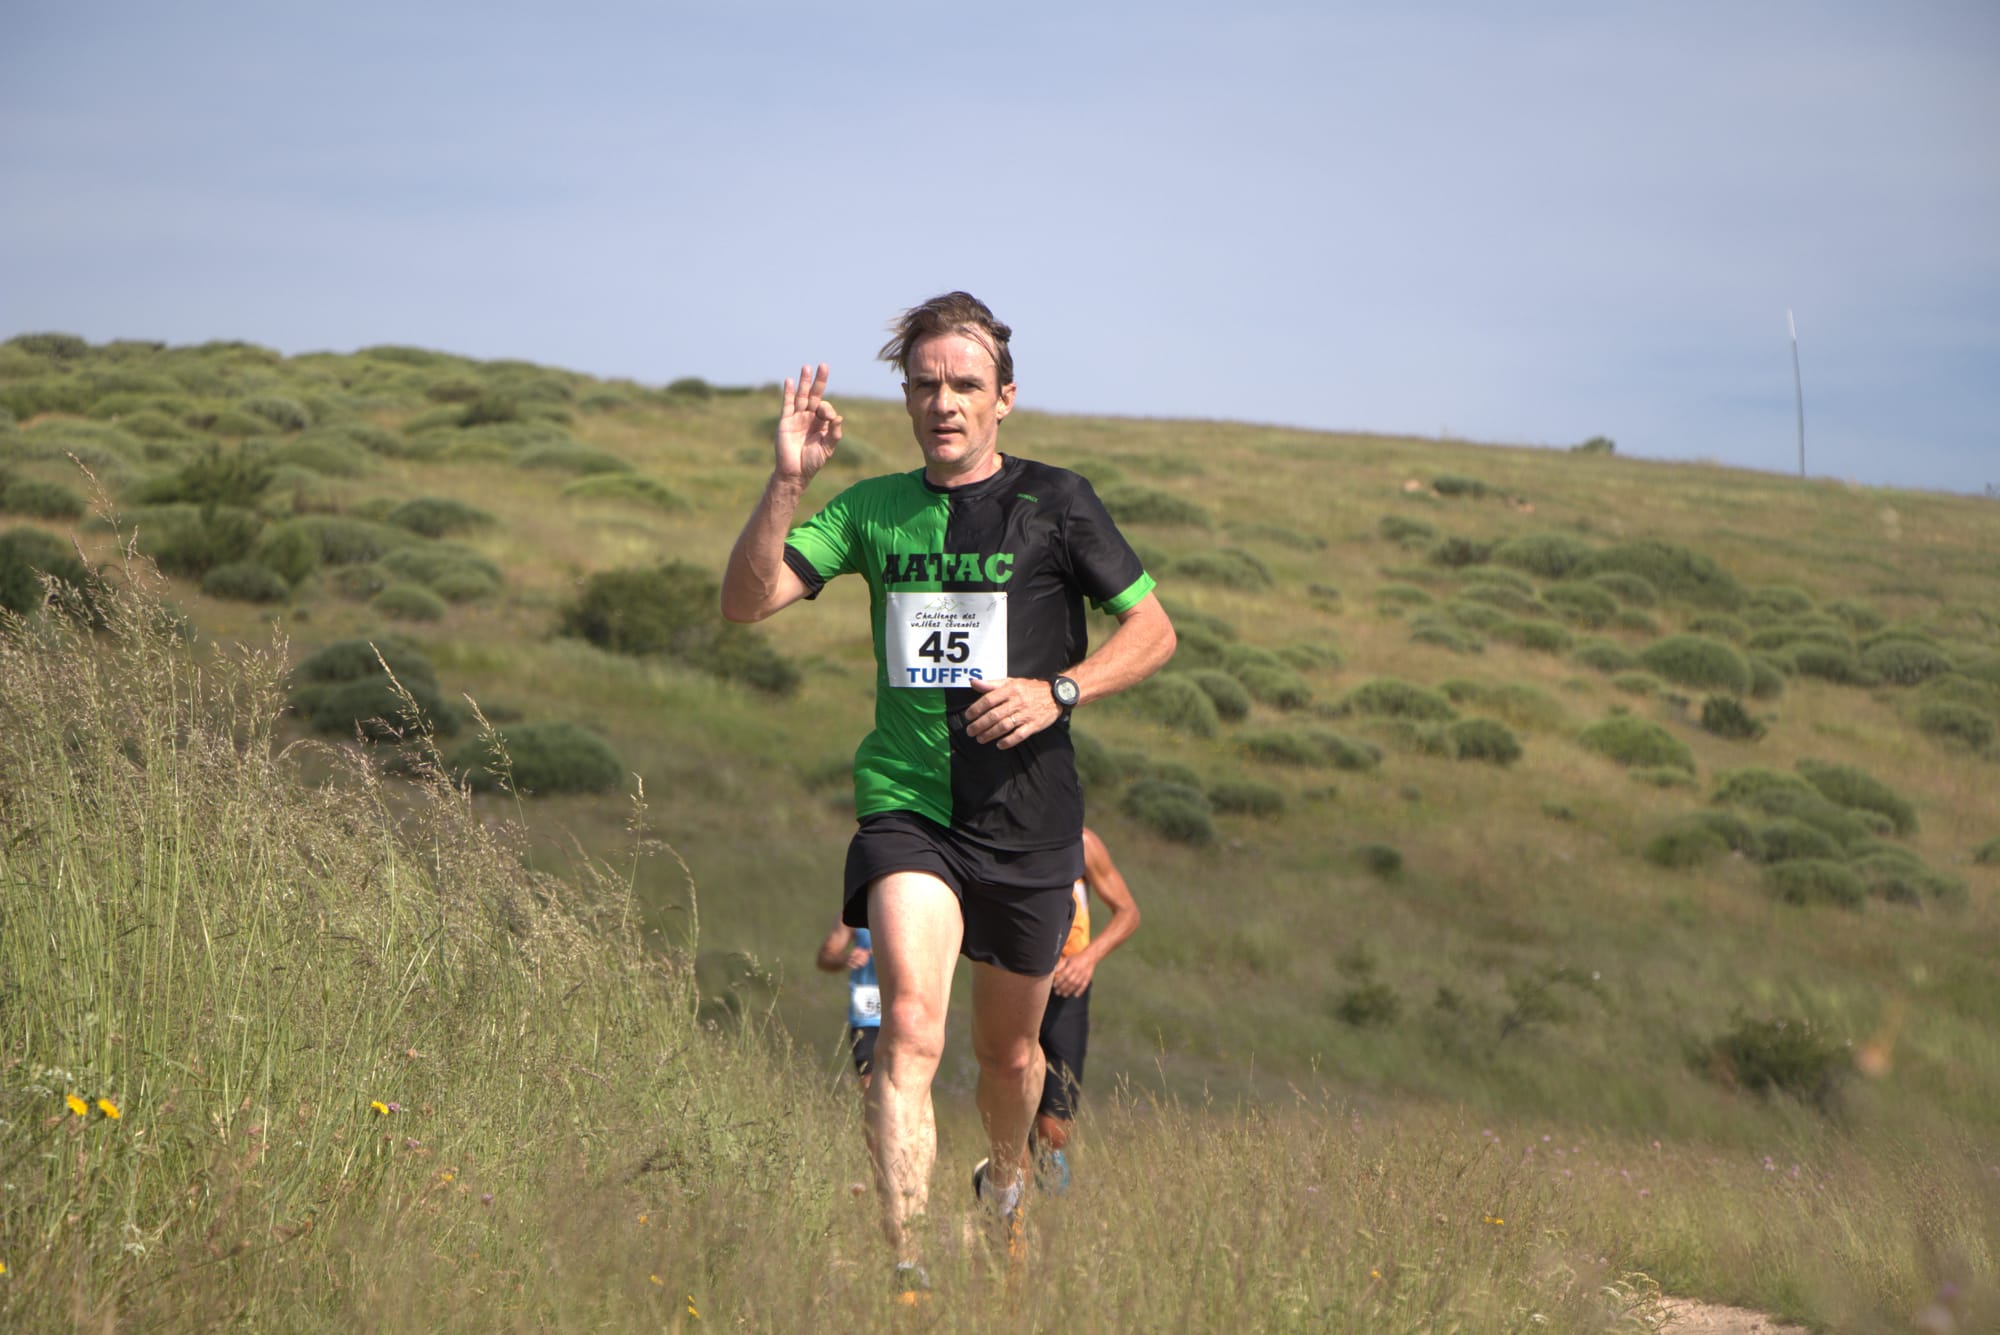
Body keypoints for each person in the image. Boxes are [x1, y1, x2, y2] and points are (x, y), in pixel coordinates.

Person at [721, 292, 1176, 1287]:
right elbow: (745, 603)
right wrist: (786, 483)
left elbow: (1155, 632)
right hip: (909, 808)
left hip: (1027, 817)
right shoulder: (870, 509)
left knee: (1008, 1061)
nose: (944, 402)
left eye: (965, 383)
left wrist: (1058, 690)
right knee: (911, 1028)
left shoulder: (1059, 503)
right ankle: (908, 1271)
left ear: (1003, 396)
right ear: (905, 397)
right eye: (925, 384)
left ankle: (1004, 1183)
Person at [1027, 825, 1139, 1189]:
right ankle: (1008, 1192)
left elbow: (1127, 912)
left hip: (1068, 989)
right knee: (1010, 1084)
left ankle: (1044, 1169)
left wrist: (1088, 959)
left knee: (1055, 1129)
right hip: (1018, 981)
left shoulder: (1083, 844)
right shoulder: (1006, 832)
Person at [815, 921, 880, 1091]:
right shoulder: (856, 911)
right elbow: (824, 957)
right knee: (870, 1084)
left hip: (908, 1013)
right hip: (867, 1015)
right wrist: (847, 958)